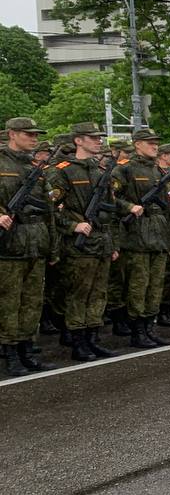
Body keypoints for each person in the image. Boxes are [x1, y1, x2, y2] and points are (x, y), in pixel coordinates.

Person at [45, 121, 118, 360]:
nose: (98, 141)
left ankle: (92, 337)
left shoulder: (100, 171)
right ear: (78, 140)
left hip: (101, 242)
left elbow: (111, 212)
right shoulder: (62, 171)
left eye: (98, 137)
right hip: (79, 246)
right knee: (79, 292)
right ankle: (78, 341)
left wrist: (113, 244)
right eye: (92, 137)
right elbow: (52, 209)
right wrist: (73, 225)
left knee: (98, 293)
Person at [111, 127, 170, 348]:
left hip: (158, 234)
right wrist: (129, 207)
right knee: (139, 285)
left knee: (155, 285)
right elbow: (111, 199)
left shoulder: (159, 171)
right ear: (137, 144)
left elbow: (168, 208)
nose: (155, 146)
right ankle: (137, 330)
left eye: (156, 142)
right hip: (136, 236)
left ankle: (149, 327)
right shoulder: (124, 170)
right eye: (149, 142)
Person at [0, 117, 55, 375]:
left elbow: (49, 210)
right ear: (12, 134)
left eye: (36, 134)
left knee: (32, 301)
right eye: (28, 134)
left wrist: (52, 245)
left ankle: (25, 348)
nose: (34, 138)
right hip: (9, 245)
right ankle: (9, 353)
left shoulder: (36, 167)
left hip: (36, 241)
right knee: (10, 301)